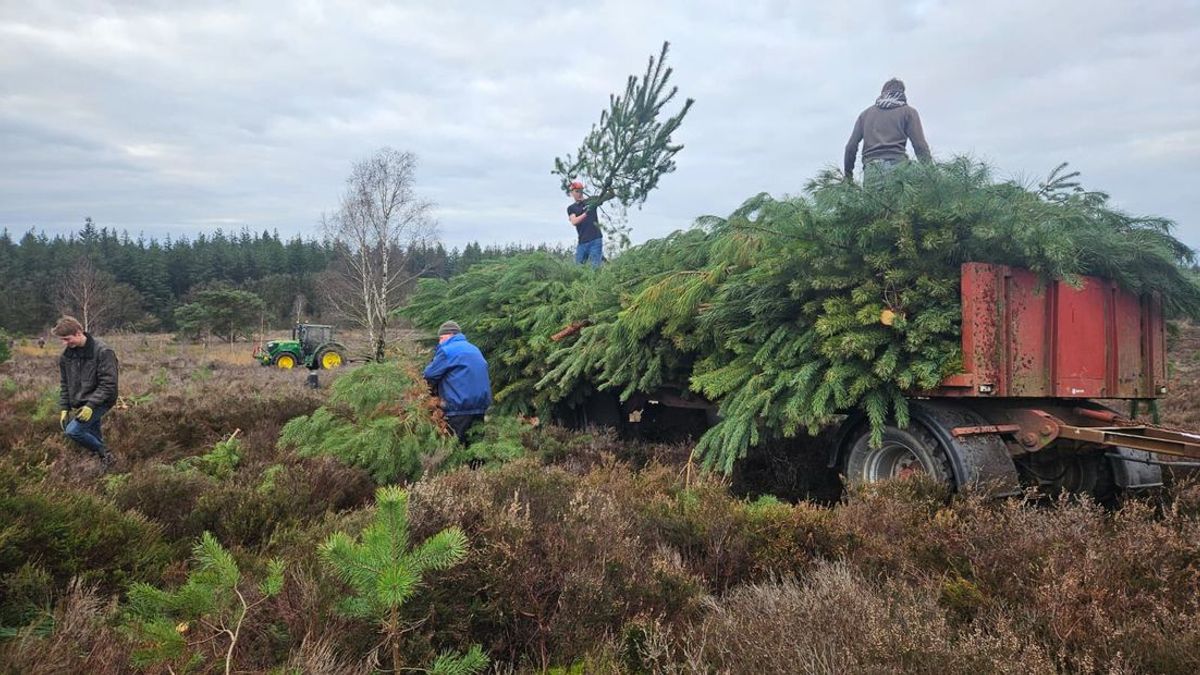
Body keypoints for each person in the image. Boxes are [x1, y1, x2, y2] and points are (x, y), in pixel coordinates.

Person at [53, 316, 118, 470]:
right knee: (94, 434)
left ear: (79, 332)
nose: (65, 343)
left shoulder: (103, 351)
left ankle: (106, 454)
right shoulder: (66, 356)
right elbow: (65, 384)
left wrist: (91, 405)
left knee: (73, 431)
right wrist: (64, 408)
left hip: (102, 400)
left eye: (67, 339)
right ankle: (107, 466)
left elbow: (108, 384)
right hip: (81, 401)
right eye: (62, 340)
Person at [844, 78, 931, 183]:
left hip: (872, 170)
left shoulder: (865, 114)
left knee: (873, 200)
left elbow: (850, 147)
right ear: (902, 93)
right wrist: (931, 174)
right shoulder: (908, 112)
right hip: (898, 167)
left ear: (883, 92)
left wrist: (848, 176)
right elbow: (920, 146)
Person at [423, 321, 492, 443]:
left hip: (457, 408)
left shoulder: (447, 351)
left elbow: (429, 374)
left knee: (456, 449)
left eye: (441, 338)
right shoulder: (474, 349)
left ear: (449, 335)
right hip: (480, 407)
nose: (440, 342)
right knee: (475, 448)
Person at [566, 181, 604, 268]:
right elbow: (574, 221)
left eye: (580, 191)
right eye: (576, 191)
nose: (579, 193)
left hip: (595, 239)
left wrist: (608, 186)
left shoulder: (590, 201)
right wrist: (586, 213)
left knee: (595, 267)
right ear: (572, 193)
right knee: (578, 269)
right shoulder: (571, 208)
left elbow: (608, 196)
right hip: (582, 242)